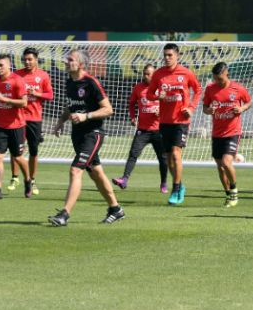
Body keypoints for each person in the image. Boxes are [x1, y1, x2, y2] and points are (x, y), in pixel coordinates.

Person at [48, 49, 124, 226]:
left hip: (93, 134)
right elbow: (71, 107)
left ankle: (64, 214)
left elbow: (108, 109)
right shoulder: (69, 83)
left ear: (81, 64)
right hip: (78, 135)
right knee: (96, 173)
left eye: (70, 59)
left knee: (75, 170)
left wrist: (86, 116)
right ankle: (116, 209)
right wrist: (60, 122)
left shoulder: (91, 83)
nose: (66, 61)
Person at [146, 43, 202, 205]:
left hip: (181, 121)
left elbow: (198, 90)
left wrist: (191, 107)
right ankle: (180, 185)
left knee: (176, 154)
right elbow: (149, 94)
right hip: (164, 121)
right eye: (165, 55)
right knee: (169, 159)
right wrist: (158, 96)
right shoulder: (158, 74)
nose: (167, 58)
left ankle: (176, 189)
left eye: (170, 55)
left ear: (177, 56)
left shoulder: (185, 73)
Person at [112, 64, 169, 193]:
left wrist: (161, 111)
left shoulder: (161, 89)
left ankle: (164, 183)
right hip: (142, 130)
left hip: (159, 130)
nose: (146, 76)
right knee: (133, 154)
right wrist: (133, 117)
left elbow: (169, 105)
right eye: (145, 73)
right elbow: (132, 104)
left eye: (149, 74)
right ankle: (124, 179)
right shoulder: (138, 88)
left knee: (163, 158)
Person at [202, 62, 252, 207]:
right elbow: (205, 107)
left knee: (226, 162)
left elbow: (249, 102)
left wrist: (241, 108)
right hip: (217, 133)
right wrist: (208, 110)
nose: (218, 81)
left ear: (227, 74)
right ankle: (229, 195)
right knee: (220, 166)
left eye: (220, 79)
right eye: (215, 79)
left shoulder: (238, 88)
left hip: (233, 132)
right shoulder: (210, 89)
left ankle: (234, 190)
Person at [0, 54, 30, 200]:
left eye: (1, 65)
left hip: (17, 126)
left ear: (9, 66)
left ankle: (28, 180)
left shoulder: (18, 81)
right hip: (0, 126)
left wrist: (4, 99)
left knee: (18, 157)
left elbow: (24, 103)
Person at [12, 47, 54, 196]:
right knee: (17, 150)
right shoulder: (17, 75)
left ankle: (32, 179)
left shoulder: (43, 76)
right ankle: (16, 177)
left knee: (34, 151)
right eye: (25, 59)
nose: (27, 62)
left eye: (30, 59)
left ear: (36, 60)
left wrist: (36, 93)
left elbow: (50, 95)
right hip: (18, 118)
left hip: (35, 118)